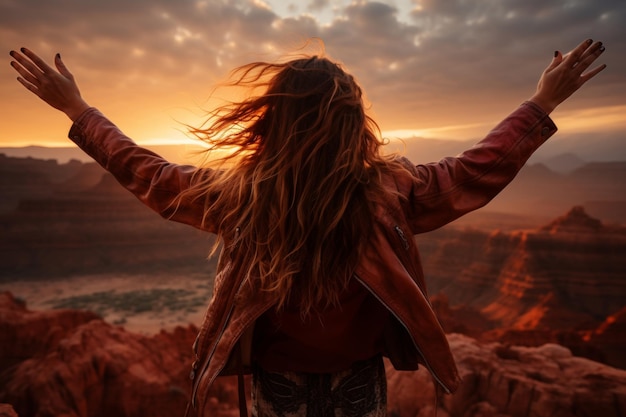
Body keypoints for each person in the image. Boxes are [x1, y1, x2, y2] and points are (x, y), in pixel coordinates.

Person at [9, 38, 606, 417]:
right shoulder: (389, 190)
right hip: (358, 383)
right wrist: (541, 103)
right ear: (353, 121)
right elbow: (478, 169)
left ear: (271, 120)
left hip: (279, 384)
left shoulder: (240, 196)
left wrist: (78, 112)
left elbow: (149, 174)